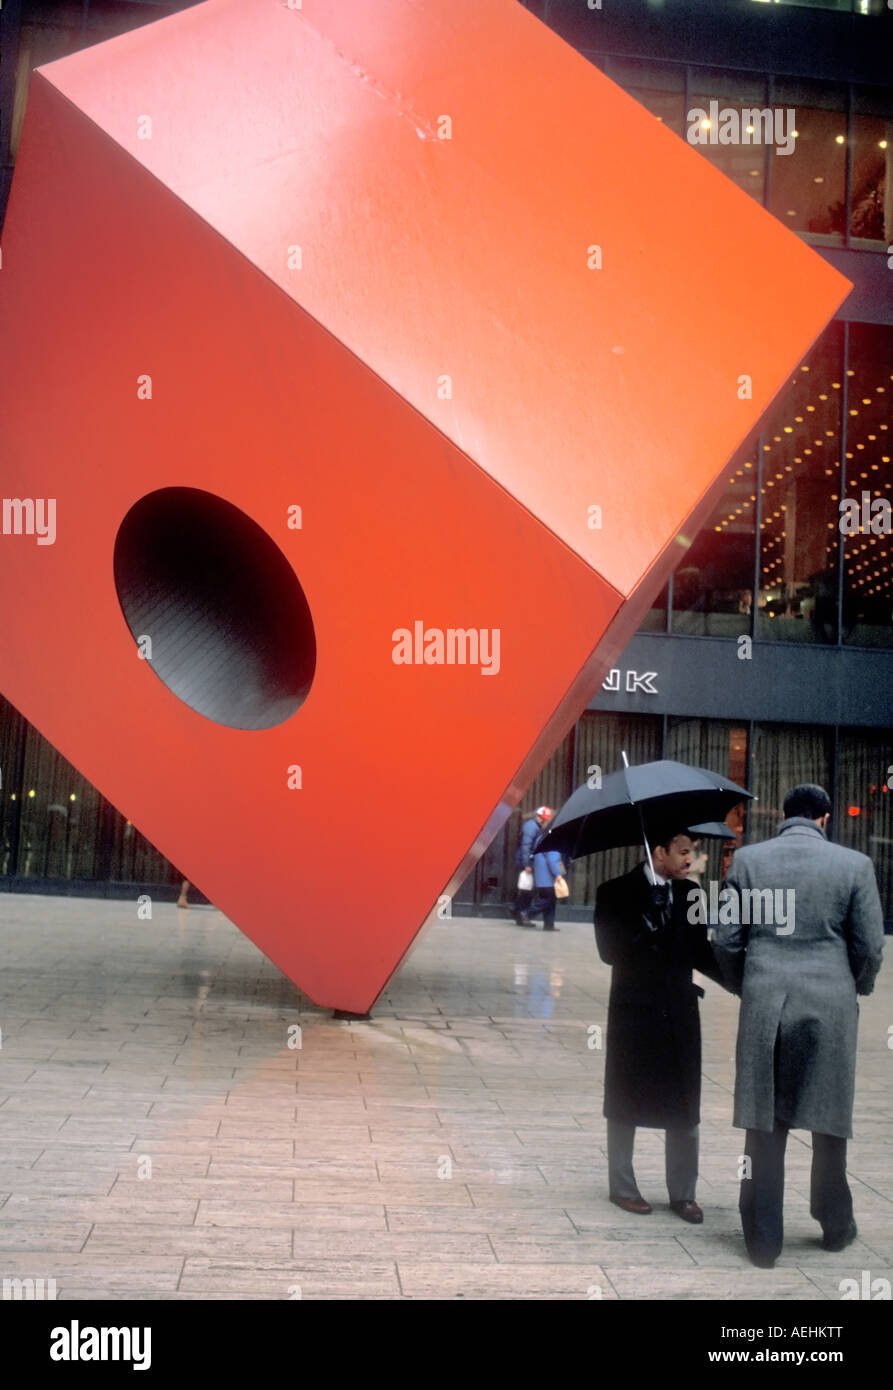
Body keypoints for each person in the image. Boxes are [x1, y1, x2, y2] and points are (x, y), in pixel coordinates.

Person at [713, 783, 885, 1269]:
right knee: (830, 1120)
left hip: (767, 999)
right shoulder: (855, 866)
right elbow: (870, 947)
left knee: (764, 1123)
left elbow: (726, 941)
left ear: (783, 818)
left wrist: (747, 986)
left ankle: (763, 1240)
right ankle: (834, 1224)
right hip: (829, 1001)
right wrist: (857, 986)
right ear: (826, 819)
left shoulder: (748, 862)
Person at [594, 825, 725, 1222]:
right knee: (624, 1100)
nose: (690, 860)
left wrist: (744, 981)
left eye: (693, 852)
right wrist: (648, 917)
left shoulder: (692, 895)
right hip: (634, 1013)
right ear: (660, 851)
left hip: (679, 1013)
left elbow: (702, 952)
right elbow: (608, 952)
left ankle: (683, 1194)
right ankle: (623, 1188)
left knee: (686, 1104)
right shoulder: (614, 892)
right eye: (683, 852)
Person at [514, 806, 553, 925]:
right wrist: (527, 864)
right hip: (527, 862)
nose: (544, 821)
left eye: (545, 819)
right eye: (542, 818)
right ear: (537, 816)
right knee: (528, 891)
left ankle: (519, 914)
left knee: (528, 890)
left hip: (529, 861)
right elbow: (526, 846)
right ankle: (519, 913)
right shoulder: (531, 827)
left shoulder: (535, 826)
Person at [529, 833, 565, 932]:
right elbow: (552, 860)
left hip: (541, 878)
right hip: (548, 879)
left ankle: (549, 925)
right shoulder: (553, 840)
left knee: (550, 902)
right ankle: (528, 913)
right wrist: (558, 874)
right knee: (548, 900)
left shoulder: (540, 838)